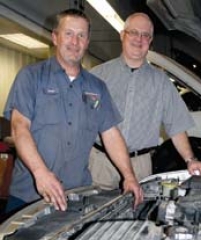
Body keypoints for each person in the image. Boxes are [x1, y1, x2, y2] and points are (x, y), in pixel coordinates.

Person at [3, 9, 143, 213]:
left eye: (81, 35)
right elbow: (19, 127)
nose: (74, 41)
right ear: (55, 37)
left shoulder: (97, 88)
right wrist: (40, 173)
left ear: (87, 42)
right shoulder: (31, 77)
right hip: (29, 194)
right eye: (68, 33)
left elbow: (111, 134)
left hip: (76, 196)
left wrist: (129, 176)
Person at [89, 12, 201, 190]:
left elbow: (176, 125)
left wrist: (190, 160)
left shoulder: (162, 83)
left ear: (150, 41)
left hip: (139, 166)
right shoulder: (97, 76)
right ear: (123, 35)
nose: (139, 39)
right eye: (134, 32)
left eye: (145, 35)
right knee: (94, 212)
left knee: (136, 215)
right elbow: (81, 121)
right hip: (100, 163)